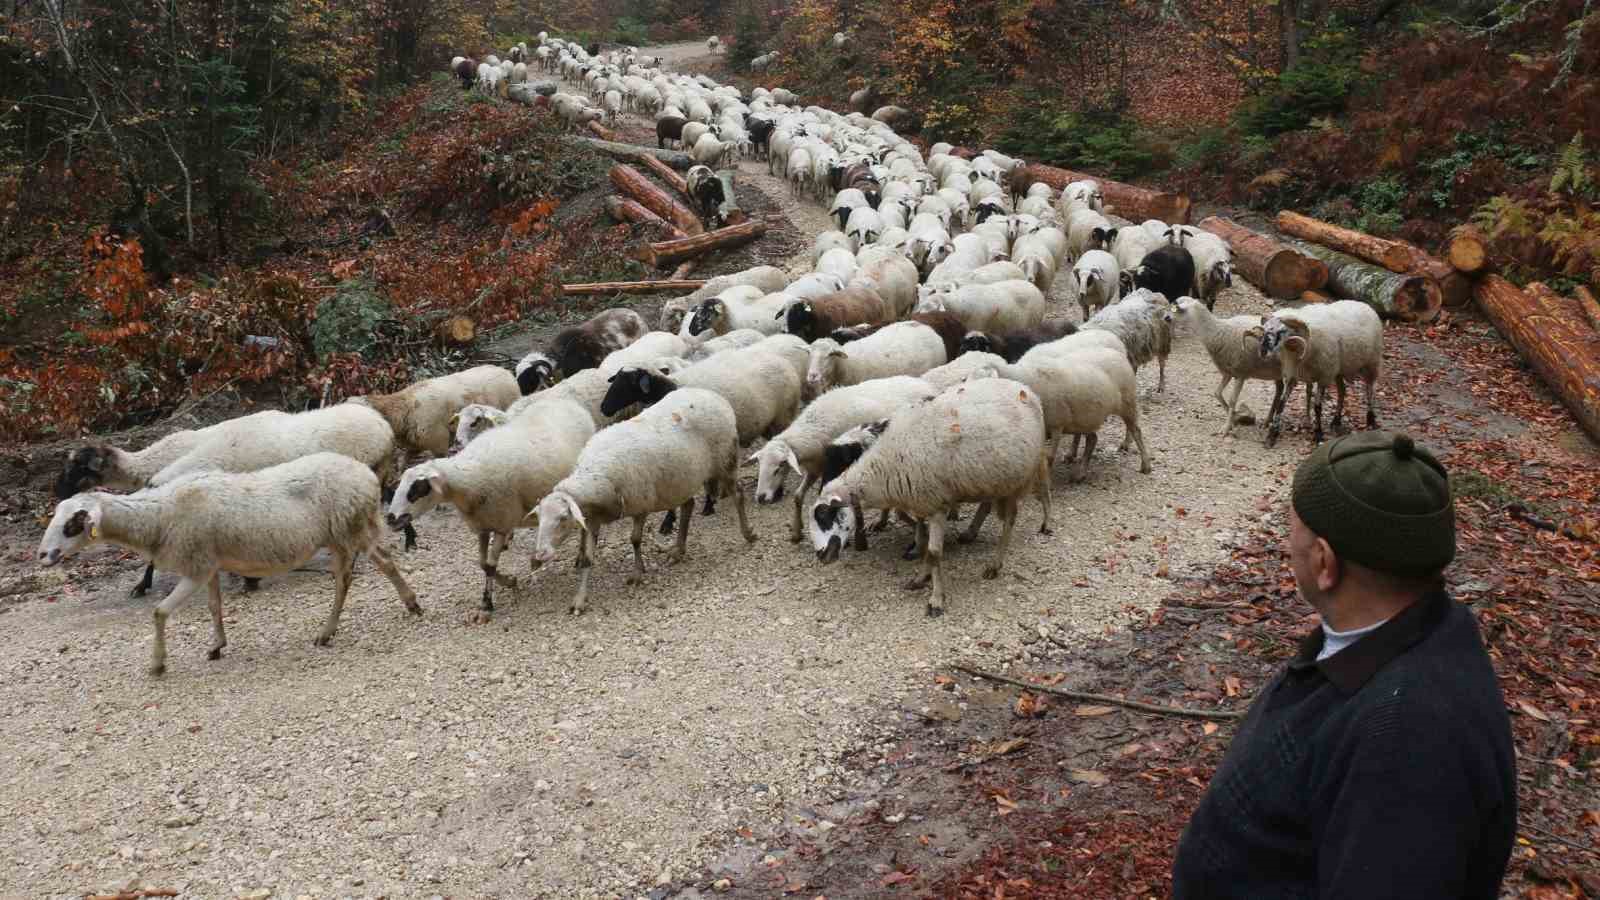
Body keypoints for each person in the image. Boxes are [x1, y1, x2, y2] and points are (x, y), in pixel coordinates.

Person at [1171, 431, 1516, 898]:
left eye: (1292, 532)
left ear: (1324, 562)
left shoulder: (1407, 741)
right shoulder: (1386, 643)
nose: (1286, 547)